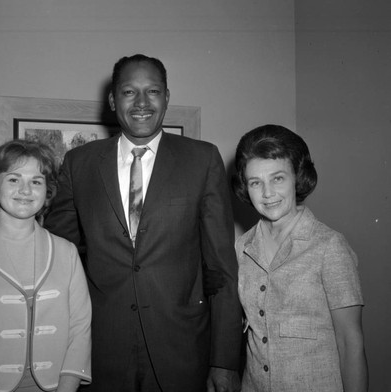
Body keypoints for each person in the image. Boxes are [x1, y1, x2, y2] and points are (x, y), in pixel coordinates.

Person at [44, 54, 242, 392]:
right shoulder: (80, 164)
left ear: (167, 97)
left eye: (152, 91)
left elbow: (221, 267)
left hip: (183, 350)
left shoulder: (202, 159)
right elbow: (58, 257)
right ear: (112, 100)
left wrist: (223, 361)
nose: (141, 103)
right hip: (100, 350)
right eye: (129, 92)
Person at [0, 140, 92, 392]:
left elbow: (80, 329)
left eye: (36, 181)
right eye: (13, 179)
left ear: (47, 191)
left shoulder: (67, 252)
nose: (25, 190)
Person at [232, 124, 368, 392]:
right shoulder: (242, 247)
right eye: (255, 183)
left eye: (278, 178)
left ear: (298, 176)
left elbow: (350, 342)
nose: (267, 193)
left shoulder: (329, 246)